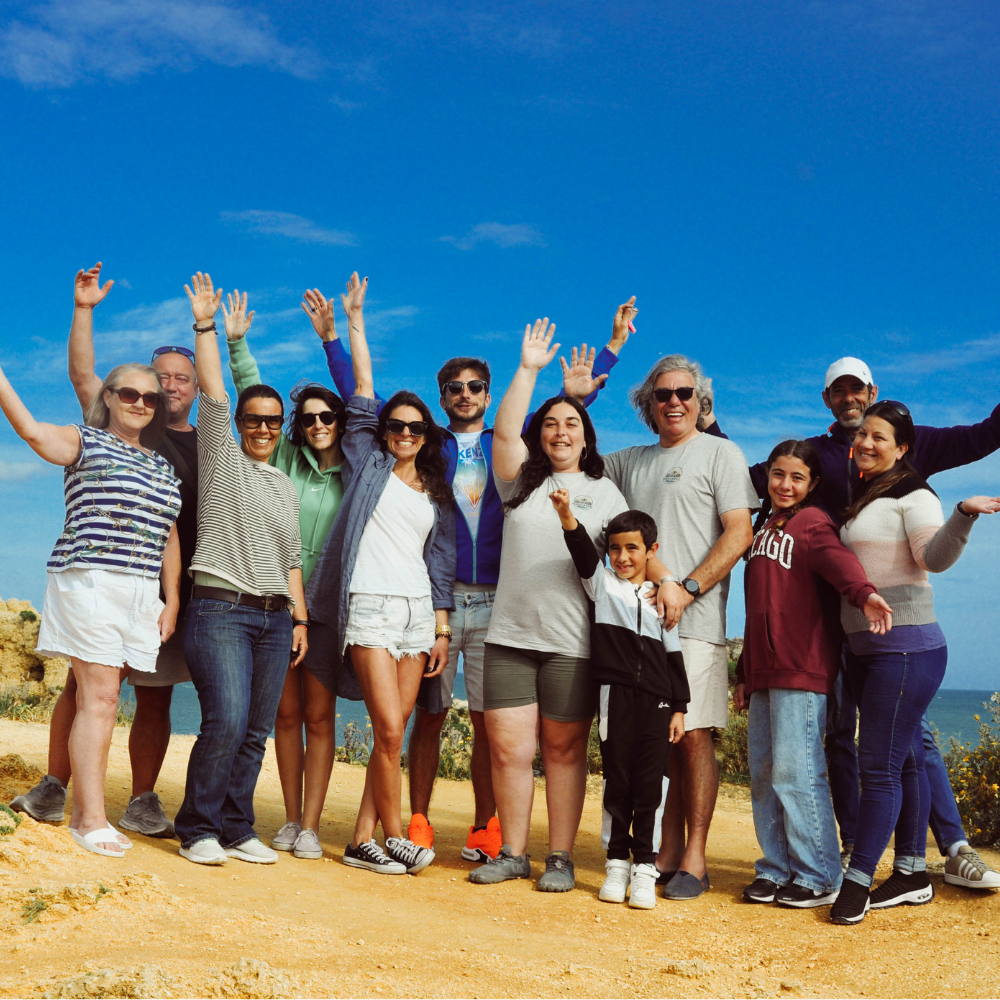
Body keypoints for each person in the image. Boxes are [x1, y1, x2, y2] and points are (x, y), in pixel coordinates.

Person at [308, 284, 631, 861]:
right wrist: (337, 335)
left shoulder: (512, 448)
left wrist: (597, 366)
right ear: (441, 396)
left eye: (475, 387)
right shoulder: (424, 450)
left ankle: (487, 826)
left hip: (499, 601)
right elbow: (366, 404)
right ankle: (418, 820)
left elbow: (558, 422)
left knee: (489, 721)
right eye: (453, 389)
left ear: (486, 392)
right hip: (436, 600)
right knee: (421, 718)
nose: (465, 395)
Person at [711, 357, 1000, 888]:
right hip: (826, 623)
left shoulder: (914, 442)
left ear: (872, 391)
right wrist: (708, 426)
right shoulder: (814, 453)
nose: (848, 399)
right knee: (839, 734)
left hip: (889, 621)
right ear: (827, 399)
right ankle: (848, 844)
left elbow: (982, 436)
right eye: (837, 391)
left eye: (856, 389)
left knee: (913, 738)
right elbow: (743, 475)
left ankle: (953, 845)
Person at [10, 263, 196, 839]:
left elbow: (170, 532)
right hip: (90, 578)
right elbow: (62, 397)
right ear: (115, 397)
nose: (155, 393)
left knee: (129, 696)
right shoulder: (92, 433)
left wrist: (171, 599)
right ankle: (75, 806)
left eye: (169, 384)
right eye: (142, 387)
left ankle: (125, 800)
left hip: (151, 593)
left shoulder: (178, 453)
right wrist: (84, 309)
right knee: (96, 693)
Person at [469, 318, 628, 892]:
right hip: (510, 636)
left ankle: (559, 856)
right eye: (552, 424)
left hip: (572, 643)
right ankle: (513, 852)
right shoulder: (518, 483)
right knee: (508, 750)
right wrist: (529, 369)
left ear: (587, 437)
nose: (561, 432)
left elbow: (612, 571)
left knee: (563, 751)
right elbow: (506, 430)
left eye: (572, 424)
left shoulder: (606, 493)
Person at [306, 274, 456, 876]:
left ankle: (361, 839)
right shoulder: (367, 464)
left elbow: (439, 562)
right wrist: (351, 323)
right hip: (367, 606)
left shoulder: (436, 490)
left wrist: (442, 628)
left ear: (426, 436)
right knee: (388, 728)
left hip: (418, 614)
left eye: (414, 428)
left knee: (397, 731)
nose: (402, 435)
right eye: (395, 426)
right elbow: (363, 389)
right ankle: (399, 837)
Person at [828, 402, 1000, 925]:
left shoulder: (914, 492)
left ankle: (857, 881)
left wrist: (963, 515)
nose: (866, 443)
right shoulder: (865, 495)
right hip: (867, 650)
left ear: (902, 448)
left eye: (880, 437)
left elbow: (934, 559)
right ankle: (910, 873)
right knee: (901, 761)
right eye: (862, 436)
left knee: (877, 767)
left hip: (905, 648)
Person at [603, 354, 759, 899]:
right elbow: (564, 451)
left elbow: (738, 533)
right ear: (648, 404)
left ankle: (695, 855)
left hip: (694, 624)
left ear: (702, 401)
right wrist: (585, 387)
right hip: (635, 629)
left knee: (692, 735)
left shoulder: (722, 453)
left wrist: (687, 588)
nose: (675, 402)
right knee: (659, 739)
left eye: (685, 393)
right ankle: (666, 851)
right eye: (663, 394)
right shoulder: (629, 461)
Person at [173, 272, 308, 867]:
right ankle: (196, 826)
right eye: (253, 419)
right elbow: (216, 397)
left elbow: (292, 560)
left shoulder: (284, 483)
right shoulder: (221, 456)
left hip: (276, 618)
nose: (260, 428)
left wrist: (299, 619)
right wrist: (207, 328)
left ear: (281, 429)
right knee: (225, 720)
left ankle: (235, 825)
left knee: (255, 729)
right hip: (220, 609)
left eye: (272, 422)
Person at [733, 440, 892, 909]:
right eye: (778, 475)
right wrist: (743, 671)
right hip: (763, 669)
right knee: (763, 773)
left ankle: (819, 872)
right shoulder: (764, 529)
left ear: (813, 484)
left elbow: (838, 562)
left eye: (796, 477)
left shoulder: (813, 522)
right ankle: (777, 868)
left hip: (802, 666)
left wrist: (863, 593)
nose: (785, 484)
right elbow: (756, 608)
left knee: (796, 771)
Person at [224, 290, 350, 862]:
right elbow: (255, 399)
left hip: (329, 608)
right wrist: (236, 344)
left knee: (320, 716)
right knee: (286, 714)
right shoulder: (284, 461)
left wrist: (334, 339)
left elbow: (363, 395)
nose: (318, 424)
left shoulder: (360, 471)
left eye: (328, 417)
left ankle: (312, 826)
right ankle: (290, 816)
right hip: (280, 600)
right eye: (309, 419)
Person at [553, 499, 689, 909]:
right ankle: (616, 863)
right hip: (615, 696)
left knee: (652, 784)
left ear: (652, 550)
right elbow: (580, 550)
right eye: (615, 549)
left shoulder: (660, 597)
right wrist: (566, 517)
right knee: (619, 781)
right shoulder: (602, 585)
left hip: (659, 702)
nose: (622, 557)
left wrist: (680, 706)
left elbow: (673, 653)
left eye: (632, 548)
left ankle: (644, 867)